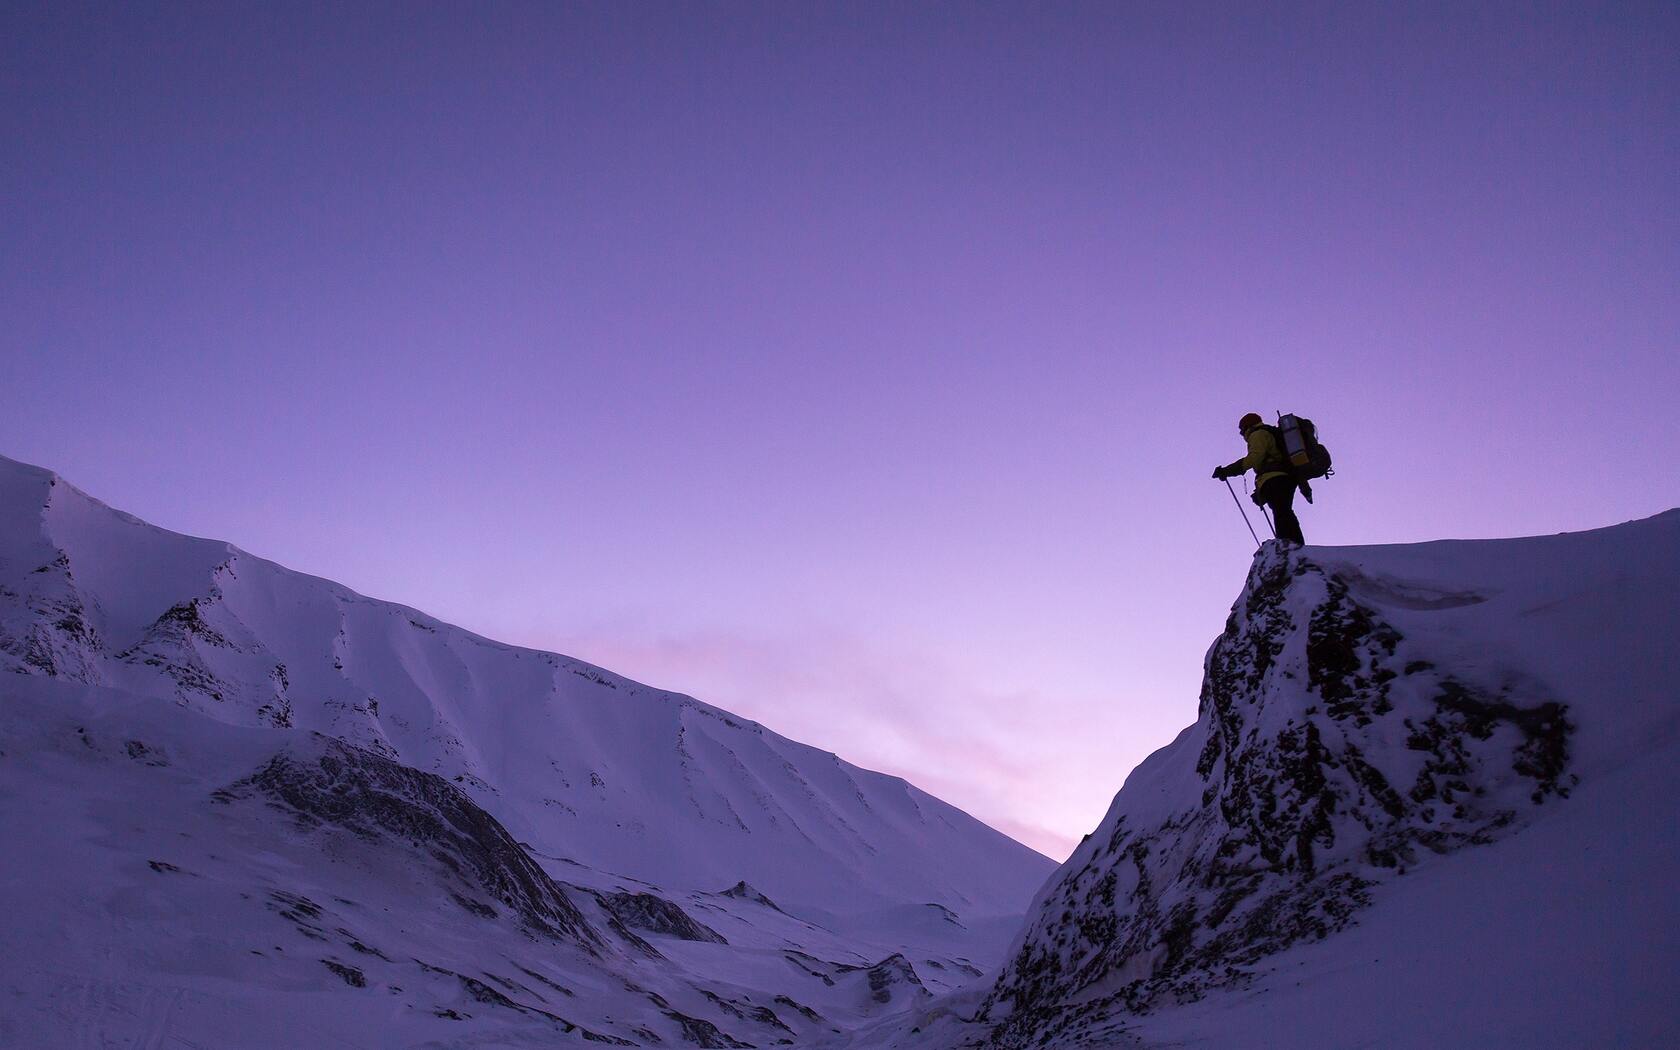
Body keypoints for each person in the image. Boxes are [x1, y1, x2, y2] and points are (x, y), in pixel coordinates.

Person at [1213, 412, 1304, 545]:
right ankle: (1292, 543)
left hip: (1275, 479)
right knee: (1283, 510)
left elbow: (1255, 458)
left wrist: (1228, 470)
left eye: (1241, 431)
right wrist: (1260, 492)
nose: (1242, 434)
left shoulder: (1257, 434)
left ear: (1246, 427)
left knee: (1281, 511)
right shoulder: (1267, 433)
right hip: (1283, 478)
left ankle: (1289, 544)